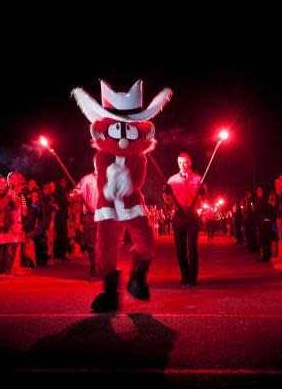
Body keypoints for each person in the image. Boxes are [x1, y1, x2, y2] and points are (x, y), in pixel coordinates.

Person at [73, 79, 172, 313]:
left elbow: (138, 179)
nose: (124, 137)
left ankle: (137, 278)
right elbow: (102, 179)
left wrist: (129, 183)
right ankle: (109, 292)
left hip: (132, 204)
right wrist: (112, 182)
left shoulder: (140, 157)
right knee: (105, 247)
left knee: (146, 240)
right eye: (118, 128)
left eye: (129, 128)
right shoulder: (101, 156)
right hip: (108, 206)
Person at [163, 153, 207, 286]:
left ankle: (193, 277)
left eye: (186, 162)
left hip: (192, 214)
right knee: (179, 248)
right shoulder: (172, 180)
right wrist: (166, 193)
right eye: (181, 162)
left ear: (190, 163)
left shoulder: (198, 179)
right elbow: (167, 200)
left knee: (192, 247)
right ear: (178, 163)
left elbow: (204, 199)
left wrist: (202, 194)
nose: (183, 164)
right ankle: (184, 276)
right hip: (178, 215)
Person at [75, 164, 100, 281]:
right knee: (91, 244)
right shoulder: (86, 179)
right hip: (89, 216)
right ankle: (94, 269)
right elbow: (76, 191)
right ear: (94, 163)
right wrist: (76, 193)